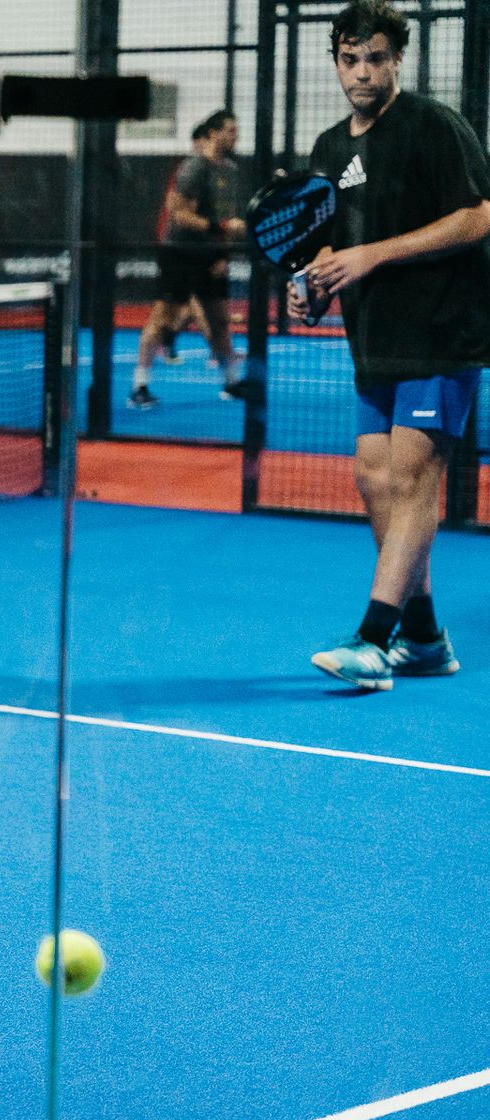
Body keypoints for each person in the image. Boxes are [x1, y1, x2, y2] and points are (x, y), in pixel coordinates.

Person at [299, 0, 490, 690]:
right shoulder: (328, 149)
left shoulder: (434, 128)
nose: (363, 73)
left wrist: (372, 255)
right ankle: (423, 638)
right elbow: (325, 247)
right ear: (337, 61)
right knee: (374, 480)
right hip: (373, 338)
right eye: (350, 59)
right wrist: (313, 286)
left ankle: (373, 642)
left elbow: (477, 215)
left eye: (376, 58)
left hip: (442, 330)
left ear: (396, 59)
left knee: (411, 481)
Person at [130, 110, 250, 409]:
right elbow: (178, 213)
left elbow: (224, 217)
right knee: (162, 320)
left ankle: (232, 382)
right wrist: (218, 228)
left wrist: (222, 252)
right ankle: (140, 386)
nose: (236, 136)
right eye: (231, 131)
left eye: (236, 131)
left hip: (211, 256)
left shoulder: (231, 171)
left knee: (220, 321)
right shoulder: (194, 167)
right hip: (179, 253)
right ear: (213, 133)